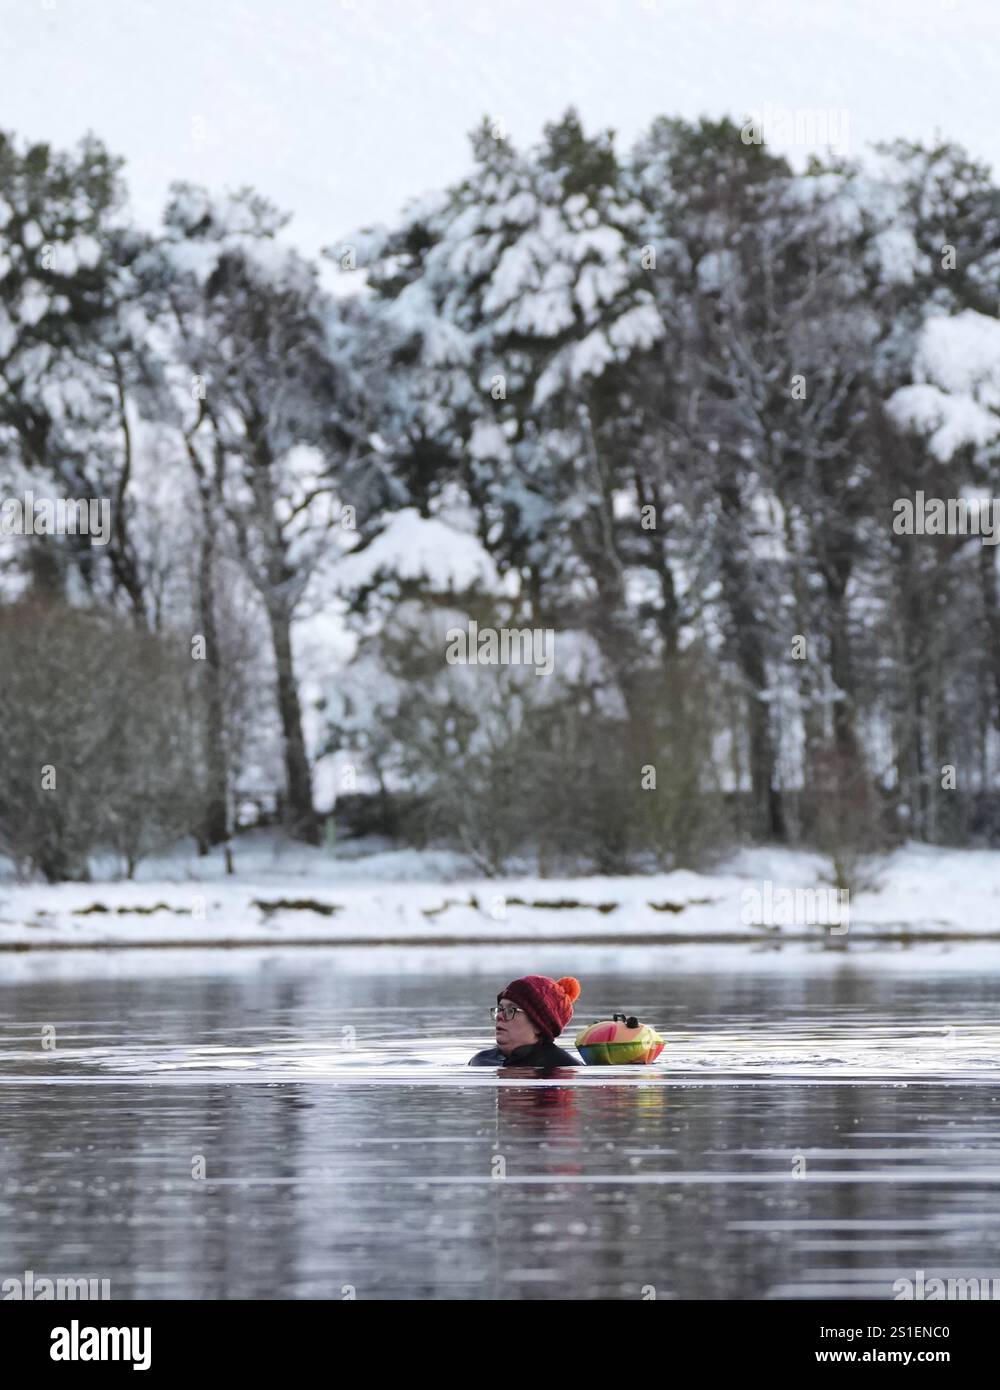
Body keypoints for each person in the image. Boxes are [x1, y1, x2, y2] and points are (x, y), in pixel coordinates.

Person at [468, 975, 582, 1067]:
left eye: (511, 1010)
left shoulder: (563, 1066)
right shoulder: (481, 1060)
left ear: (538, 1026)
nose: (499, 1016)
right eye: (500, 1009)